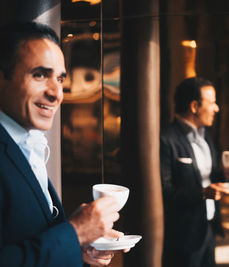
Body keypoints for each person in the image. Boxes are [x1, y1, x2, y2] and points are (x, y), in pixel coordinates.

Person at [0, 22, 123, 266]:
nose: (57, 93)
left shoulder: (28, 143)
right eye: (40, 75)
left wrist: (77, 248)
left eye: (60, 78)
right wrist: (75, 233)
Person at [160, 77, 229, 267]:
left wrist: (226, 176)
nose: (217, 108)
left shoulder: (206, 138)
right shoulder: (166, 140)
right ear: (195, 106)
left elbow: (209, 179)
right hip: (182, 236)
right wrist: (204, 192)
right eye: (212, 102)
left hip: (209, 228)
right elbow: (164, 192)